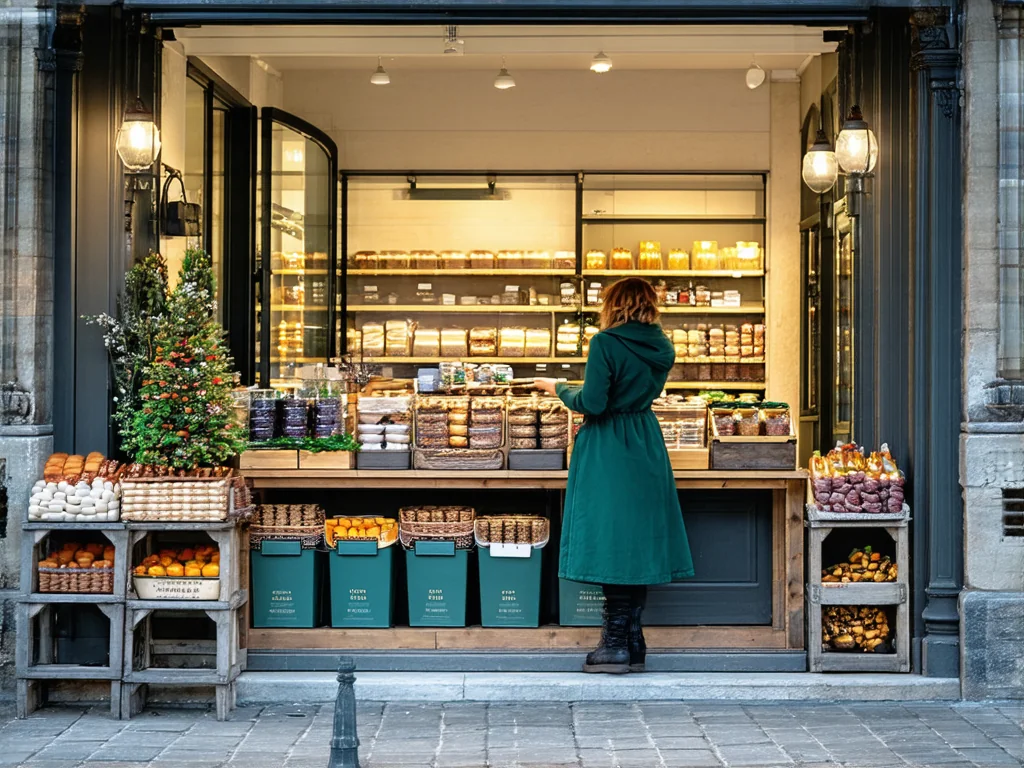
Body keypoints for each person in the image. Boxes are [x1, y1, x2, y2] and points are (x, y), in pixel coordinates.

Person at [534, 277, 694, 674]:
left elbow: (593, 402)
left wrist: (559, 388)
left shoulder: (605, 343)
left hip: (608, 445)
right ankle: (634, 640)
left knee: (609, 539)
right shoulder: (662, 344)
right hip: (644, 440)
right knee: (635, 541)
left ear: (613, 305)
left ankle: (614, 643)